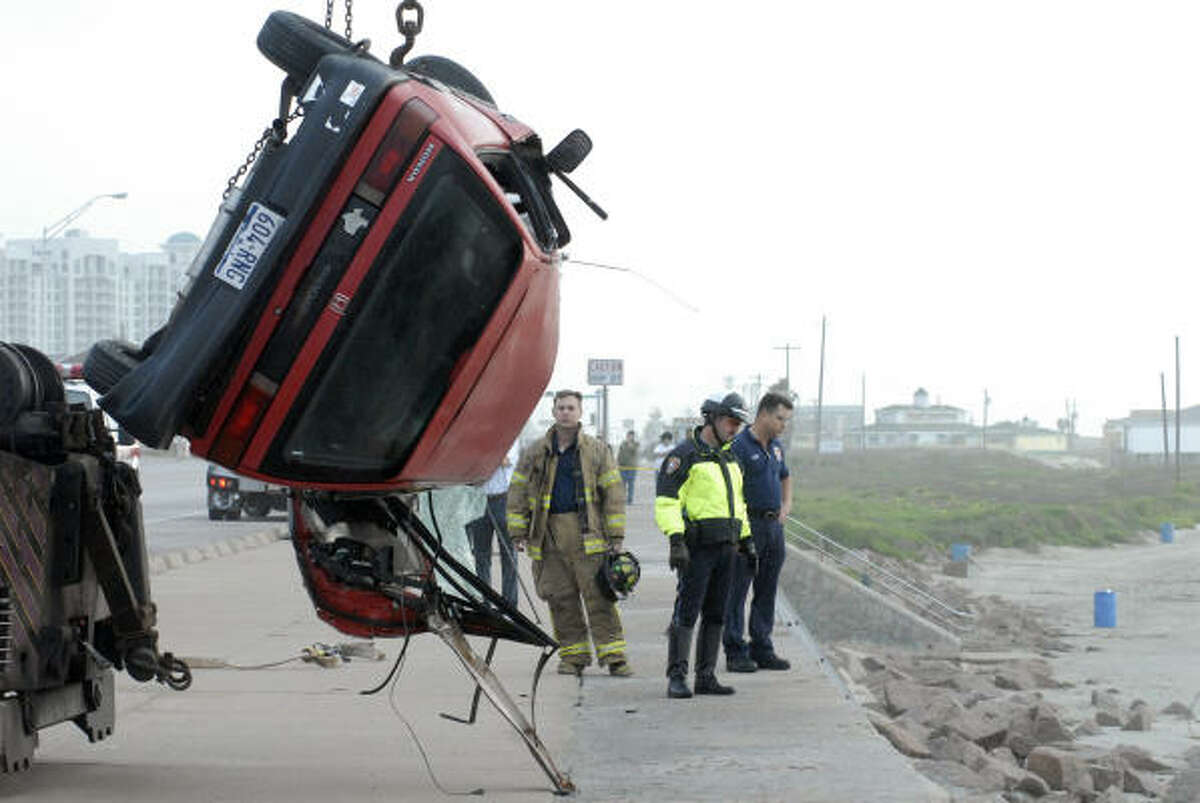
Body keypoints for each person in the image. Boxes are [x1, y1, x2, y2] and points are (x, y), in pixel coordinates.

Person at [506, 389, 632, 676]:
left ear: (580, 412)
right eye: (561, 407)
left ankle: (615, 657)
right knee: (561, 599)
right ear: (553, 412)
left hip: (588, 535)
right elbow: (518, 491)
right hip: (547, 535)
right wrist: (518, 531)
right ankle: (573, 657)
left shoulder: (597, 450)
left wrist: (615, 538)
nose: (565, 412)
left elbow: (613, 493)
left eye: (570, 407)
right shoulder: (535, 452)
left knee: (600, 596)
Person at [655, 392, 756, 699]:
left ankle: (706, 676)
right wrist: (675, 540)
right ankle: (676, 677)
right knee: (687, 612)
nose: (735, 428)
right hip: (696, 549)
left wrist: (747, 539)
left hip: (727, 547)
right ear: (711, 418)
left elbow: (738, 504)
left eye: (739, 423)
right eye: (730, 421)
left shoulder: (730, 458)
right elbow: (667, 502)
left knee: (717, 613)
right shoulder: (684, 456)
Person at [724, 391, 795, 672]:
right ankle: (734, 650)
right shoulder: (739, 446)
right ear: (763, 413)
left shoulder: (776, 447)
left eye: (786, 420)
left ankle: (762, 646)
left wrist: (786, 506)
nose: (783, 425)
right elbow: (729, 488)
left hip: (773, 527)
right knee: (738, 589)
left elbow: (785, 475)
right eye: (779, 418)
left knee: (767, 588)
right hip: (747, 526)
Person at [466, 440, 520, 608]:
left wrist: (481, 457)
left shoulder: (511, 436)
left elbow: (505, 461)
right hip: (479, 501)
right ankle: (484, 602)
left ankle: (509, 605)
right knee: (481, 555)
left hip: (503, 500)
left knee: (509, 555)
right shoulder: (479, 438)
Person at [616, 430, 640, 504]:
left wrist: (630, 443)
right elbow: (619, 453)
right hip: (622, 467)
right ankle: (622, 499)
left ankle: (630, 500)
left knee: (631, 484)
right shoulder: (623, 443)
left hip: (631, 467)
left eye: (631, 436)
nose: (629, 437)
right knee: (622, 484)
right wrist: (617, 462)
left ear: (633, 436)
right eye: (628, 435)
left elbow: (633, 450)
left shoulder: (636, 444)